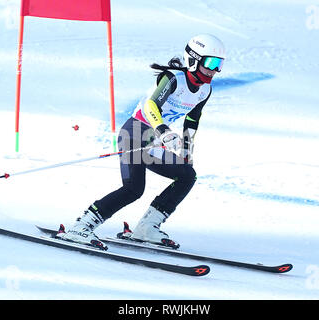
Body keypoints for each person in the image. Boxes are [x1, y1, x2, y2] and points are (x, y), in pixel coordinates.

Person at [57, 34, 226, 250]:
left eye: (219, 64)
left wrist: (187, 148)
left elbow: (193, 118)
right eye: (211, 63)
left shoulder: (205, 90)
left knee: (186, 175)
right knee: (133, 189)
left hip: (153, 141)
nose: (215, 70)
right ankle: (81, 226)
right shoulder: (173, 78)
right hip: (135, 133)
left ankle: (147, 227)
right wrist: (164, 131)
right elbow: (150, 106)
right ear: (194, 59)